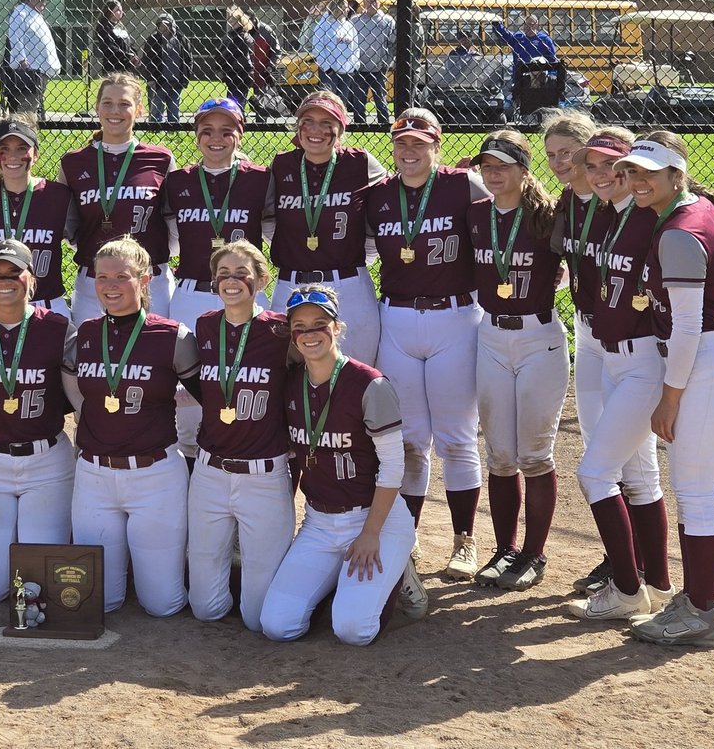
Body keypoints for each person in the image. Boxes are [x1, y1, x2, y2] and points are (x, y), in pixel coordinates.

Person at [617, 133, 714, 648]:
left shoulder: (678, 232)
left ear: (677, 175)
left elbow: (687, 328)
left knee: (697, 493)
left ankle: (702, 613)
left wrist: (670, 397)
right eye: (633, 171)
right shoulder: (701, 207)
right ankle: (696, 601)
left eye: (649, 173)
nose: (638, 181)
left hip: (703, 366)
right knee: (694, 491)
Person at [260, 286, 425, 646]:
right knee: (277, 625)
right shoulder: (291, 383)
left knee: (354, 631)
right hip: (319, 522)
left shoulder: (369, 383)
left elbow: (393, 466)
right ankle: (342, 584)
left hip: (374, 519)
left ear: (337, 327)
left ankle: (399, 569)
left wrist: (370, 533)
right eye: (300, 327)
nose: (310, 334)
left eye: (320, 324)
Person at [364, 109, 489, 581]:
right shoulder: (379, 195)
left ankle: (464, 539)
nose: (409, 151)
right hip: (396, 318)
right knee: (411, 439)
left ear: (437, 146)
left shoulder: (463, 185)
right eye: (401, 143)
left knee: (456, 437)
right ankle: (408, 534)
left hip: (454, 317)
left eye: (420, 143)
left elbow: (507, 218)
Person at [563, 128, 674, 623]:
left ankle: (627, 589)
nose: (600, 174)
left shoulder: (654, 217)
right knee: (640, 476)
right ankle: (659, 587)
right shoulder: (609, 214)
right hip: (611, 356)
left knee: (595, 473)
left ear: (634, 169)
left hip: (643, 360)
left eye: (612, 165)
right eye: (591, 165)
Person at [61, 236, 202, 616]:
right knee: (98, 602)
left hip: (154, 475)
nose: (110, 286)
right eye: (102, 277)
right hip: (95, 475)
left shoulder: (172, 336)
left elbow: (208, 395)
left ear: (144, 280)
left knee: (162, 604)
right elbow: (72, 386)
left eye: (121, 277)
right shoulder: (85, 333)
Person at [467, 131, 566, 592]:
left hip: (538, 337)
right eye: (487, 165)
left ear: (524, 170)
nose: (493, 173)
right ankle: (504, 549)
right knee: (501, 455)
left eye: (503, 165)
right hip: (490, 335)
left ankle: (533, 553)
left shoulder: (547, 216)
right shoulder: (475, 215)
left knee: (534, 454)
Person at [0, 239, 75, 605]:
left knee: (41, 588)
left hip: (46, 460)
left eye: (14, 272)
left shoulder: (58, 327)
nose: (4, 281)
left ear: (31, 279)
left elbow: (77, 397)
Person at [188, 240, 293, 631]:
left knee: (257, 618)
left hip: (263, 474)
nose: (231, 281)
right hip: (210, 472)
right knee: (205, 608)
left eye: (241, 273)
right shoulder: (205, 325)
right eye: (224, 274)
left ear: (262, 280)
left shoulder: (281, 330)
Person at [165, 98, 273, 459]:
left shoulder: (259, 179)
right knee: (187, 400)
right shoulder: (178, 181)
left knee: (247, 384)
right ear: (196, 135)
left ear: (239, 135)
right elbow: (170, 237)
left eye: (227, 131)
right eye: (207, 131)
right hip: (192, 292)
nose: (216, 139)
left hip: (244, 294)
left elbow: (273, 232)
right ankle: (192, 475)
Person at [542, 111, 611, 592]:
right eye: (552, 155)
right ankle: (618, 555)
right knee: (595, 445)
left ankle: (638, 563)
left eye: (569, 152)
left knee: (624, 454)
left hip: (628, 335)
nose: (560, 162)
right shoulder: (567, 202)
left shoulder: (619, 199)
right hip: (588, 331)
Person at [269, 90, 386, 365]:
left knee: (354, 374)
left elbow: (396, 194)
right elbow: (268, 221)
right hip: (291, 284)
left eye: (327, 123)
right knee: (289, 374)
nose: (316, 130)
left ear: (341, 128)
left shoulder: (361, 163)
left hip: (348, 286)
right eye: (307, 122)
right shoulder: (282, 164)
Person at [59, 74, 177, 325]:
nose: (115, 111)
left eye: (124, 104)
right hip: (94, 281)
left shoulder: (161, 159)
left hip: (150, 279)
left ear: (140, 109)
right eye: (108, 103)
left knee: (152, 348)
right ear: (97, 108)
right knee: (93, 348)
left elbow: (174, 224)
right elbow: (69, 227)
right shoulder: (73, 162)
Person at [0, 116, 73, 320]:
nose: (12, 156)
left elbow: (78, 241)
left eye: (21, 148)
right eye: (4, 149)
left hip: (46, 305)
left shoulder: (58, 195)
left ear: (36, 154)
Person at [4, 0, 60, 116]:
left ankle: (27, 125)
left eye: (44, 1)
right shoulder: (20, 13)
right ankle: (24, 126)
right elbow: (15, 37)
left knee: (33, 105)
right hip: (30, 69)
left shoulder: (35, 15)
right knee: (27, 106)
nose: (43, 3)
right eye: (40, 0)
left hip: (40, 69)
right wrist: (22, 60)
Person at [311, 0, 361, 118]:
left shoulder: (349, 26)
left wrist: (355, 66)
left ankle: (340, 121)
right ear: (335, 8)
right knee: (329, 100)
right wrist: (326, 67)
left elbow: (356, 48)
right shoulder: (323, 26)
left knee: (342, 101)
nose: (347, 10)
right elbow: (317, 48)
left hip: (347, 71)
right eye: (344, 7)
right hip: (329, 71)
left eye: (347, 8)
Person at [351, 0, 394, 123]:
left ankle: (384, 125)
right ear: (364, 2)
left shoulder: (387, 21)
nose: (372, 4)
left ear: (379, 2)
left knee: (381, 99)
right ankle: (359, 125)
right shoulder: (355, 21)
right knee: (358, 100)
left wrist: (386, 63)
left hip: (379, 68)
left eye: (375, 1)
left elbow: (393, 44)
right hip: (359, 68)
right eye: (369, 1)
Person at [141, 13, 188, 123]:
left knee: (174, 110)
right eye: (161, 25)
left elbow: (187, 59)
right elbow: (147, 61)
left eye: (166, 25)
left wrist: (185, 77)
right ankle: (155, 129)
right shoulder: (152, 40)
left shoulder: (181, 39)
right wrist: (150, 78)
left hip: (176, 81)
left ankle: (174, 129)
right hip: (158, 82)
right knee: (156, 111)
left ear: (172, 25)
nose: (163, 27)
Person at [492, 14, 558, 83]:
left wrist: (552, 77)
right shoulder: (518, 37)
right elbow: (504, 34)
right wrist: (496, 23)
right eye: (525, 24)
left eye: (530, 24)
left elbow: (552, 59)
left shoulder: (545, 39)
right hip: (519, 78)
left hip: (539, 79)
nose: (527, 27)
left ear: (536, 25)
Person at [219, 7, 254, 112]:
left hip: (240, 73)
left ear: (240, 22)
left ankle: (238, 118)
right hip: (236, 74)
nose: (230, 22)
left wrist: (223, 64)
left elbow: (230, 54)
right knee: (235, 103)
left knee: (236, 105)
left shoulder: (240, 37)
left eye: (233, 20)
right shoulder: (234, 36)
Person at [245, 9, 281, 103]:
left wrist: (270, 66)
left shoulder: (266, 31)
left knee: (262, 103)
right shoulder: (241, 31)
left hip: (262, 72)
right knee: (238, 101)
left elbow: (276, 51)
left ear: (253, 20)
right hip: (245, 72)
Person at [94, 0, 139, 74]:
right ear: (110, 11)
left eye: (121, 9)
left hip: (126, 66)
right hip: (113, 67)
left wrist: (134, 55)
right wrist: (126, 56)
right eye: (118, 10)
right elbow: (108, 47)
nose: (121, 12)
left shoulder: (121, 26)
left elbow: (129, 43)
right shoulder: (104, 26)